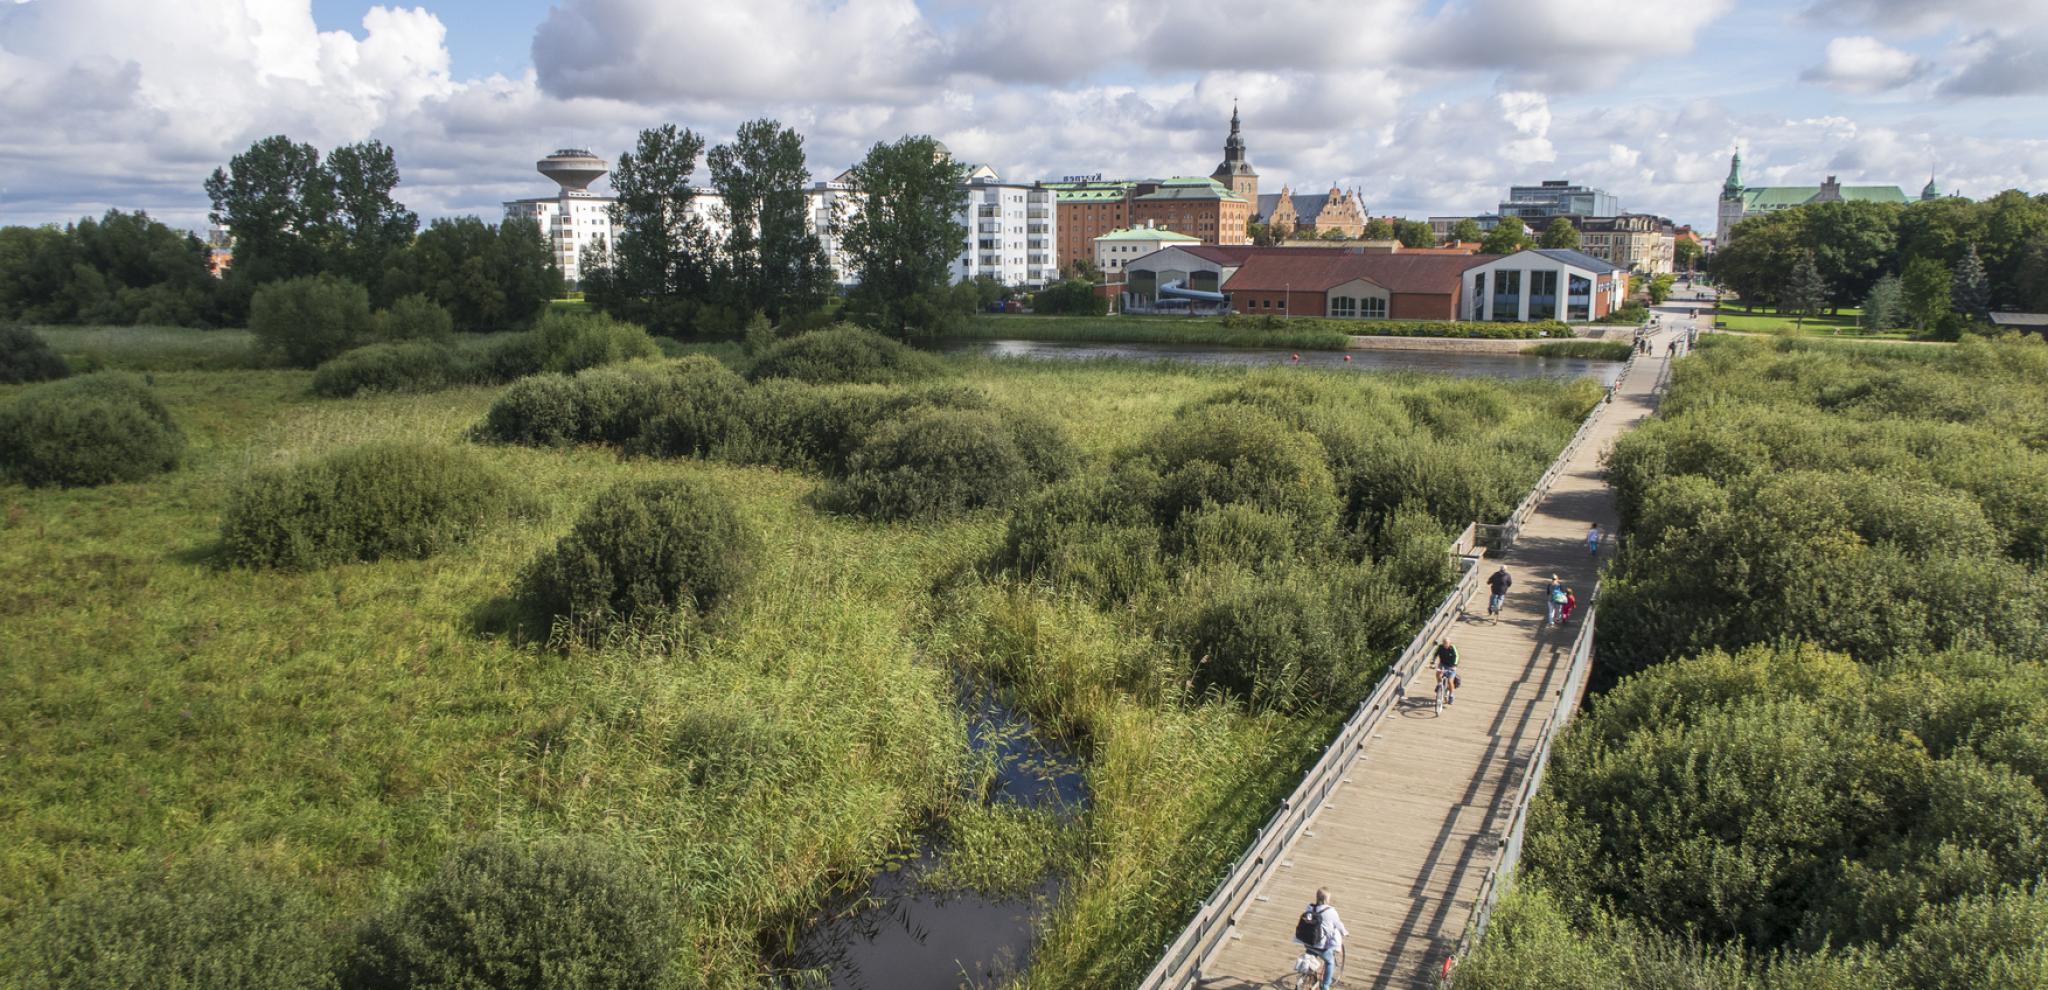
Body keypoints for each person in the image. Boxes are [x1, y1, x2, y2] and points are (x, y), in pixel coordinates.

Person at [1298, 887, 1347, 990]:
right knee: (1330, 962)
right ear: (1326, 899)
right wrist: (1345, 933)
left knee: (1311, 956)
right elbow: (1338, 924)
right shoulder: (1331, 911)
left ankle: (1306, 976)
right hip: (1321, 946)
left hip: (1309, 942)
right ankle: (1325, 985)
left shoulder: (1310, 908)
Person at [1434, 639, 1461, 705]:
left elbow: (1457, 656)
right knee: (1438, 674)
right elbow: (1435, 654)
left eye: (1446, 643)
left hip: (1451, 666)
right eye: (1444, 643)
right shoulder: (1440, 647)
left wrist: (1454, 665)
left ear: (1449, 643)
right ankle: (1439, 685)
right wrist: (1432, 661)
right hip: (1442, 664)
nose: (1445, 645)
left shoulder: (1453, 648)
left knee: (1450, 681)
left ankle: (1451, 695)